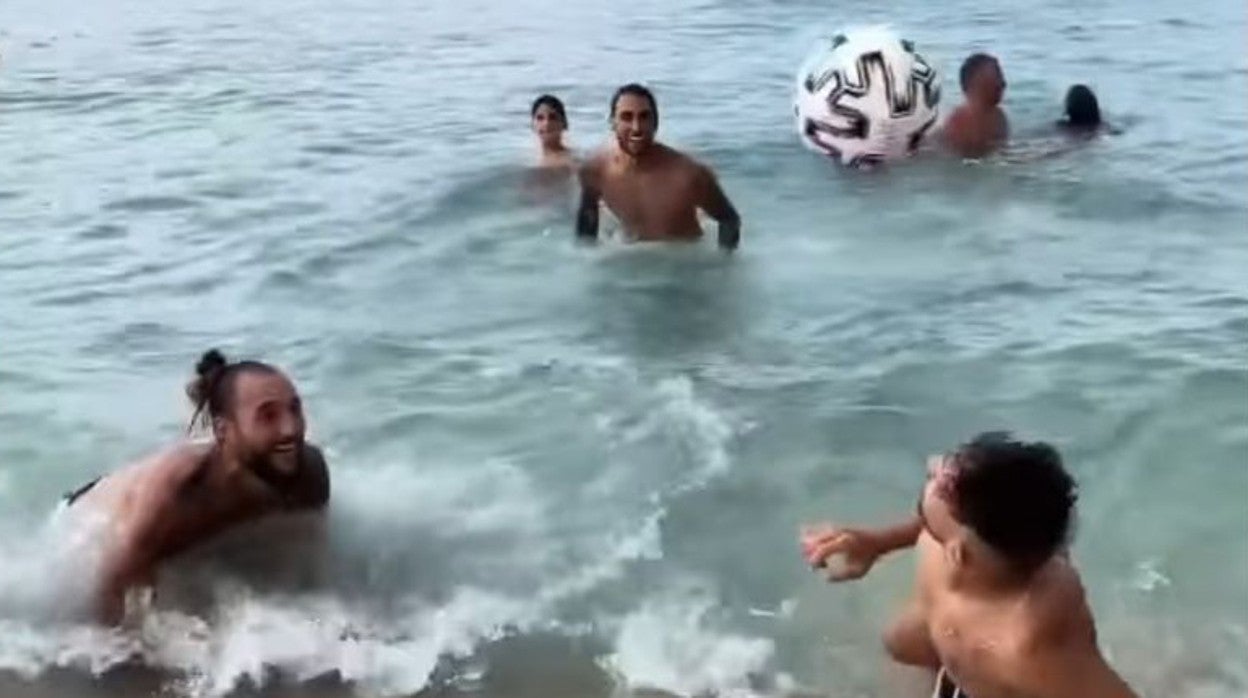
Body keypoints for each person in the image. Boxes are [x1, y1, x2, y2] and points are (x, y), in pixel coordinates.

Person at [800, 432, 1137, 698]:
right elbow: (932, 524)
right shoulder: (956, 539)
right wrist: (877, 543)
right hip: (952, 641)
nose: (932, 464)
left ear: (959, 551)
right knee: (900, 643)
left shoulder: (1026, 648)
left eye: (941, 485)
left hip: (1000, 679)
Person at [62, 349, 330, 624]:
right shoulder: (178, 487)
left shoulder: (309, 471)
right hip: (87, 512)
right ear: (223, 430)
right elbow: (112, 588)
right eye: (268, 416)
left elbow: (313, 559)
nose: (290, 429)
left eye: (295, 409)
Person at [575, 83, 741, 250]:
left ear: (655, 122)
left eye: (644, 117)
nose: (636, 127)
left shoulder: (688, 173)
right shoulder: (595, 171)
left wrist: (723, 261)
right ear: (613, 122)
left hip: (684, 256)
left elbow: (729, 220)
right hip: (633, 255)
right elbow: (587, 222)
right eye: (626, 117)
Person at [940, 54, 1009, 158]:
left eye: (1001, 77)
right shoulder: (961, 124)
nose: (1003, 83)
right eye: (996, 77)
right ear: (976, 83)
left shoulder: (998, 116)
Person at [531, 94, 575, 170]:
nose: (546, 123)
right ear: (532, 125)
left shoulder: (570, 163)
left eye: (553, 117)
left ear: (564, 124)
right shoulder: (534, 157)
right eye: (540, 118)